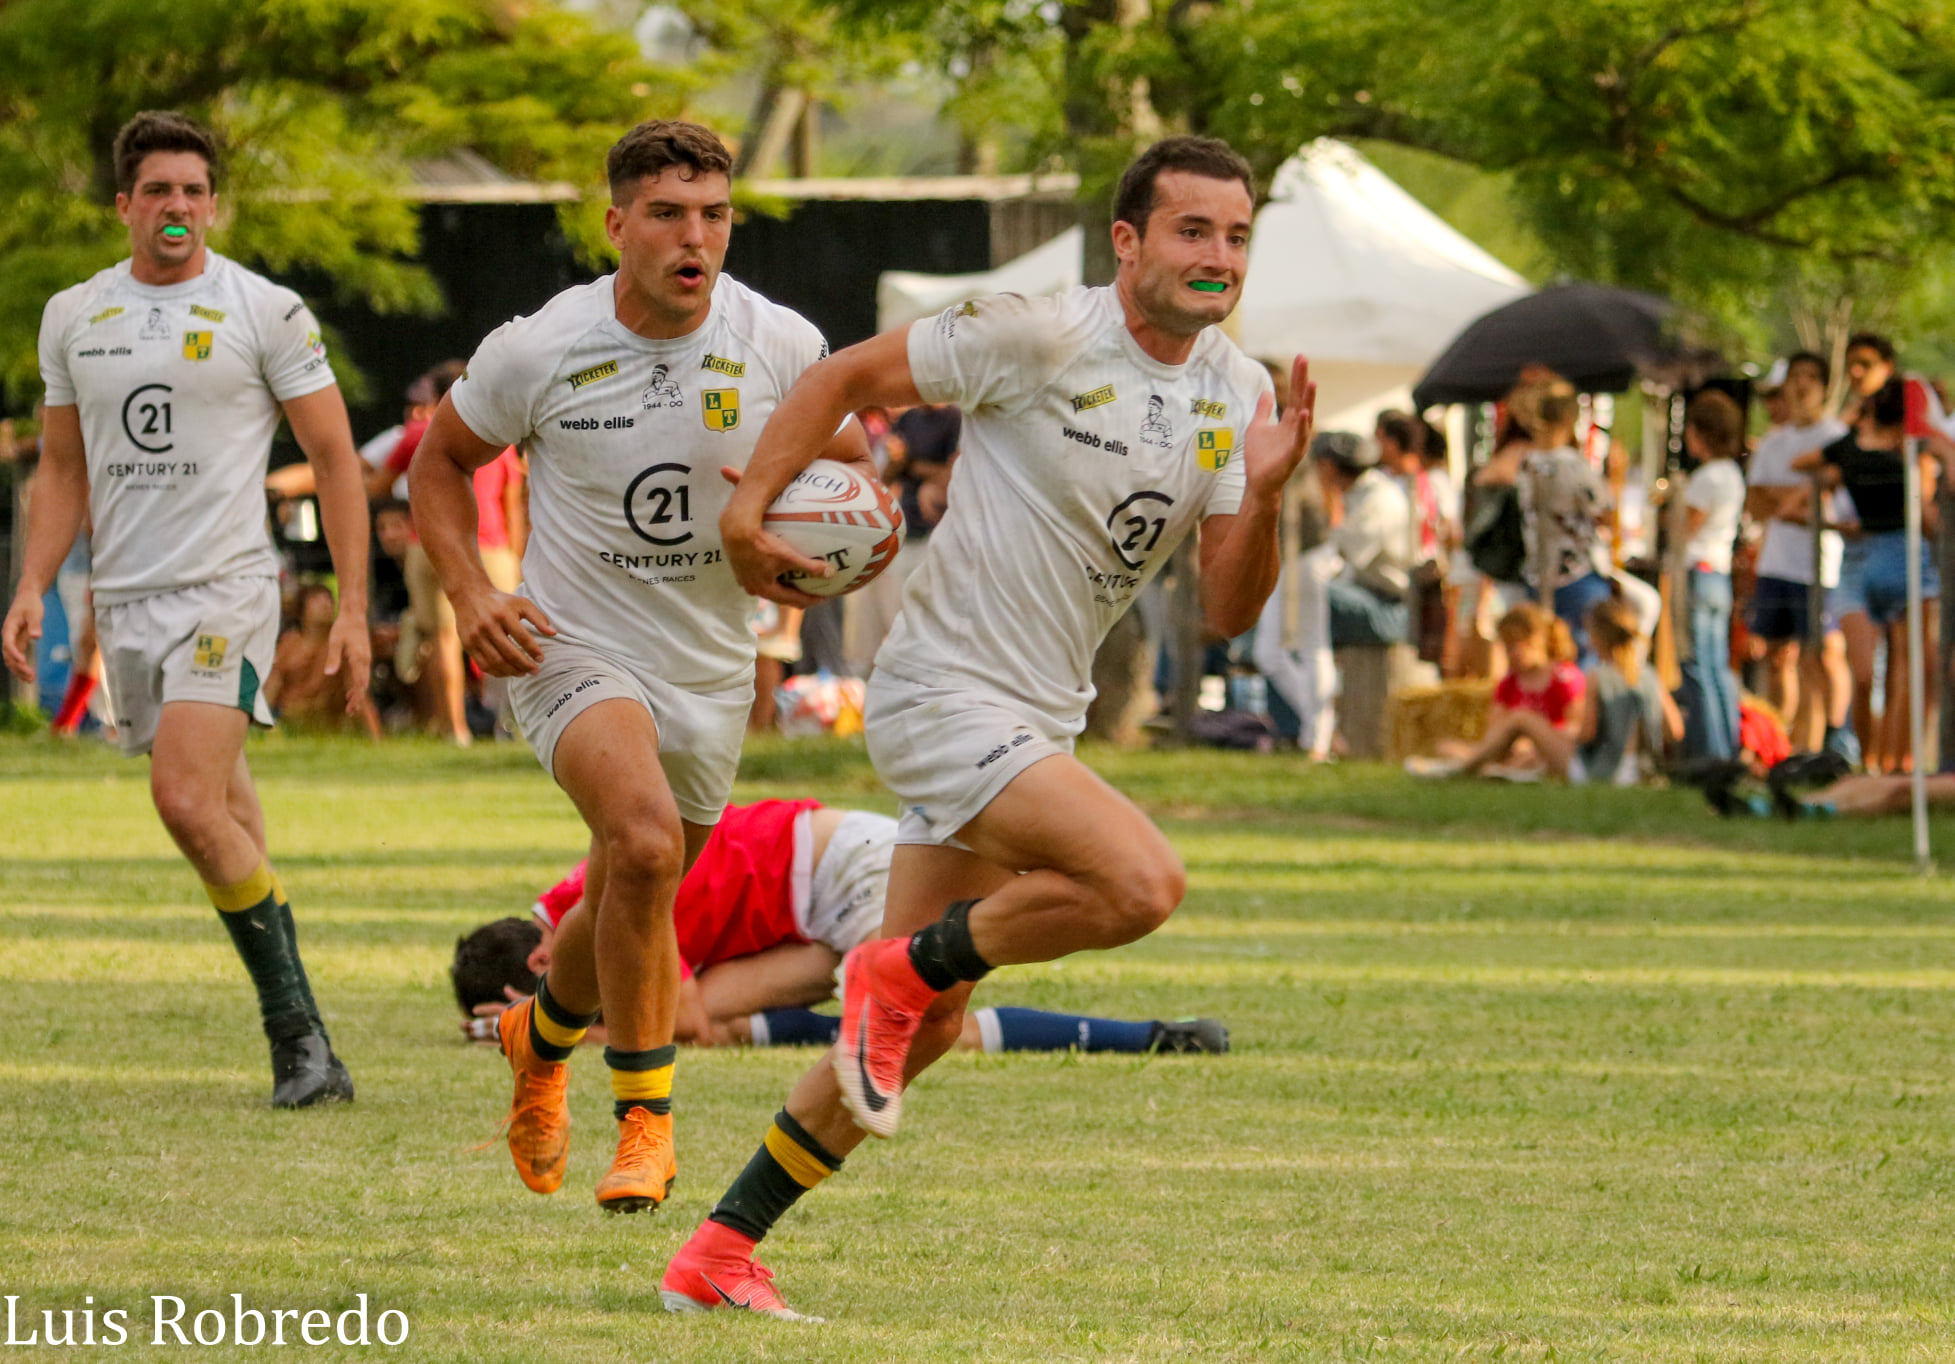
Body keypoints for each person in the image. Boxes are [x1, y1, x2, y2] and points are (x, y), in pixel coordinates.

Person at [659, 134, 1310, 1320]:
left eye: (1234, 236)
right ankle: (892, 966)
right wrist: (749, 516)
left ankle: (717, 1250)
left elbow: (1224, 607)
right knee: (1139, 882)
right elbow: (841, 379)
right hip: (940, 695)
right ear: (1128, 241)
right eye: (1191, 231)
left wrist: (1263, 496)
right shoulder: (1040, 331)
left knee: (926, 1035)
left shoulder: (1240, 392)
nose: (1217, 257)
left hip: (1035, 721)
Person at [407, 120, 866, 1217]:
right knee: (647, 843)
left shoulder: (778, 340)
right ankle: (646, 1124)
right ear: (617, 226)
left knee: (627, 881)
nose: (692, 236)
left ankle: (538, 1032)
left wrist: (806, 542)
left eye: (712, 214)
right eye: (665, 214)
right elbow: (436, 466)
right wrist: (474, 594)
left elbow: (851, 465)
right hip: (569, 642)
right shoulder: (542, 347)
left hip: (707, 661)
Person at [1, 111, 369, 1107]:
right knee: (227, 814)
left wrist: (350, 605)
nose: (177, 208)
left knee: (184, 800)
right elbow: (64, 470)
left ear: (215, 203)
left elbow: (336, 459)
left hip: (229, 591)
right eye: (157, 192)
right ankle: (319, 1048)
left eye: (193, 191)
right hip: (127, 602)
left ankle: (292, 1038)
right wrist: (33, 583)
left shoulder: (267, 309)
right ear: (124, 205)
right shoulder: (74, 313)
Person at [452, 802, 1228, 1057]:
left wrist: (527, 1031)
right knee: (718, 1014)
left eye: (557, 992)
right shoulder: (573, 903)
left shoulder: (605, 896)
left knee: (915, 1030)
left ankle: (1149, 1036)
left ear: (546, 954)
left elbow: (673, 1020)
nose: (576, 1000)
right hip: (815, 905)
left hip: (848, 874)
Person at [1796, 377, 1941, 773]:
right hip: (1875, 559)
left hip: (1900, 553)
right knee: (1882, 673)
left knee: (1901, 671)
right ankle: (1876, 762)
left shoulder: (1912, 451)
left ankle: (1897, 763)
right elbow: (1806, 467)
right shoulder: (1859, 449)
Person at [1744, 354, 1853, 758]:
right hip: (1776, 562)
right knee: (1775, 656)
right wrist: (1800, 497)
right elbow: (1757, 503)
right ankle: (1778, 745)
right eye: (1796, 377)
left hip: (1819, 565)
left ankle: (1820, 741)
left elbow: (1831, 493)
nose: (1802, 385)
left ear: (1824, 385)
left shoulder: (1836, 437)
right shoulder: (1773, 442)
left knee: (1815, 656)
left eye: (1811, 376)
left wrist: (1788, 498)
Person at [1408, 603, 1581, 780]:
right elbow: (1496, 732)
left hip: (1550, 752)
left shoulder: (1563, 677)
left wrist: (1533, 740)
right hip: (1515, 752)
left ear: (1535, 642)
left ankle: (1464, 770)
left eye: (1514, 647)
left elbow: (1575, 731)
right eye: (1506, 648)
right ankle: (1493, 768)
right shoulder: (1509, 683)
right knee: (1446, 748)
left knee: (1521, 720)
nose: (1509, 655)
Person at [1514, 379, 1614, 662]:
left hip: (1537, 571)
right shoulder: (1573, 465)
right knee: (1584, 654)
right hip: (1575, 571)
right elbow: (1603, 512)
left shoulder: (1526, 463)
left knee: (1545, 655)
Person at [1679, 390, 1747, 761]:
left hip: (1700, 571)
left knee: (1698, 666)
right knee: (1718, 667)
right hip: (1719, 573)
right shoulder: (1732, 473)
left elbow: (1685, 528)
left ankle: (1711, 754)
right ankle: (1728, 746)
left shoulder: (1707, 477)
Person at [265, 582, 381, 737]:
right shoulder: (289, 644)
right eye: (316, 599)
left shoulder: (342, 646)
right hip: (290, 720)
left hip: (329, 724)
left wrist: (376, 735)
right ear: (302, 610)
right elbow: (272, 687)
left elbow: (358, 693)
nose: (325, 604)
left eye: (328, 599)